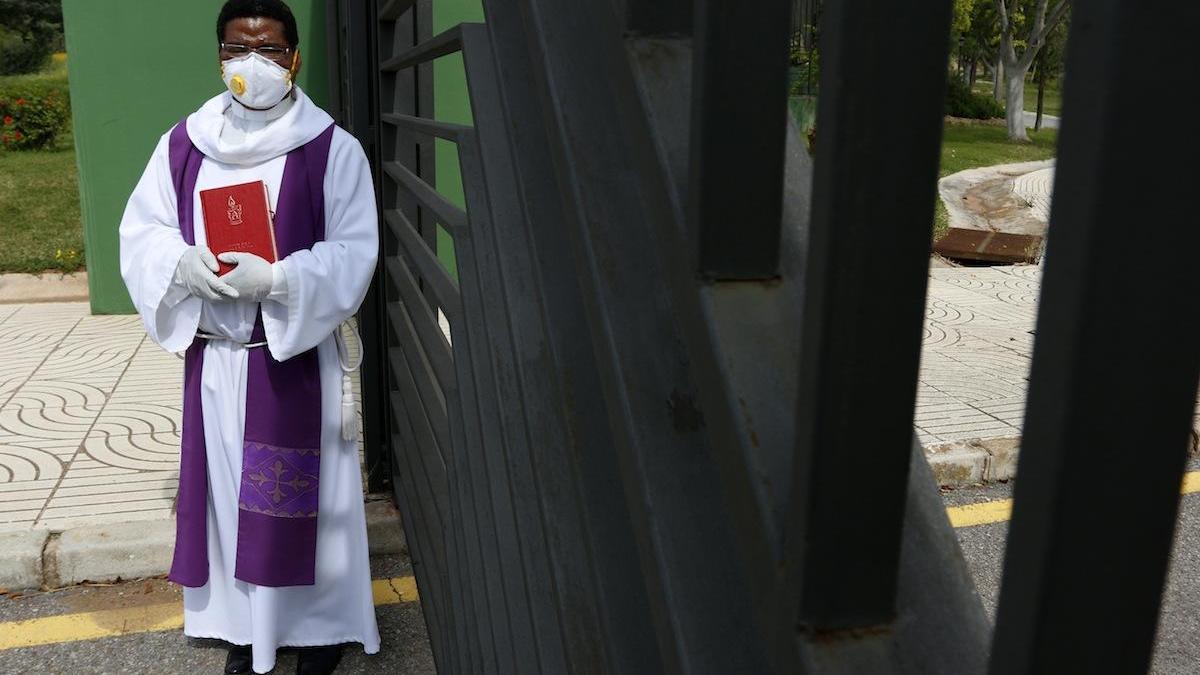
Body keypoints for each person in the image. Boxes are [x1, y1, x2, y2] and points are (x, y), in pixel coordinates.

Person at [118, 1, 380, 673]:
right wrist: (179, 263)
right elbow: (141, 233)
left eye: (268, 49)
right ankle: (245, 632)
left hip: (292, 361)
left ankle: (318, 634)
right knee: (233, 507)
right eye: (238, 49)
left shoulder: (331, 148)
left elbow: (354, 252)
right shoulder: (185, 143)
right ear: (218, 56)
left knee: (307, 505)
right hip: (218, 363)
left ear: (294, 57)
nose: (252, 63)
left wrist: (280, 280)